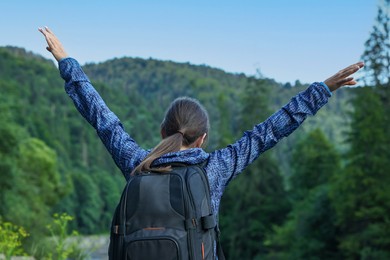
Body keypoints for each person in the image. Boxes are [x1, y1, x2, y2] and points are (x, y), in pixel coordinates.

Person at [39, 25, 363, 247]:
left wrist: (66, 61)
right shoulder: (214, 170)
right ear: (203, 138)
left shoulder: (138, 163)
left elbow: (101, 117)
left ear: (162, 131)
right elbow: (272, 129)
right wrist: (324, 88)